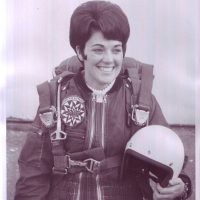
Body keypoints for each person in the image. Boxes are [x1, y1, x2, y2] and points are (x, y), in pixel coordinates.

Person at [14, 1, 191, 199]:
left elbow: (171, 162)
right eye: (99, 49)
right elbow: (33, 173)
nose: (109, 59)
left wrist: (180, 187)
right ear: (81, 52)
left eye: (116, 49)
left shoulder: (141, 101)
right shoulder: (55, 99)